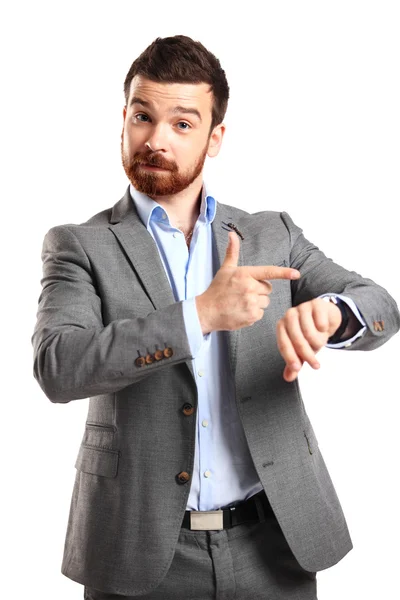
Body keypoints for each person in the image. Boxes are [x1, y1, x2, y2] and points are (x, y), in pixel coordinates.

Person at [32, 35, 400, 600]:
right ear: (123, 119)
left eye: (182, 123)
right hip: (139, 551)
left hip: (273, 544)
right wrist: (198, 315)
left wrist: (332, 313)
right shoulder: (79, 246)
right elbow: (59, 366)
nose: (155, 139)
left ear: (215, 137)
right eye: (141, 116)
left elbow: (380, 306)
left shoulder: (270, 233)